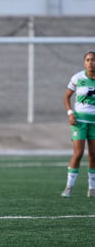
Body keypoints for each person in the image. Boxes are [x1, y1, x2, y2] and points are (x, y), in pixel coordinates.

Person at [62, 51, 95, 198]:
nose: (90, 62)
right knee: (78, 153)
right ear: (84, 62)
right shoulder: (78, 78)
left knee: (93, 155)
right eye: (88, 60)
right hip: (79, 121)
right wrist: (70, 113)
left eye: (93, 60)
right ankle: (69, 187)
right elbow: (67, 97)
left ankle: (92, 188)